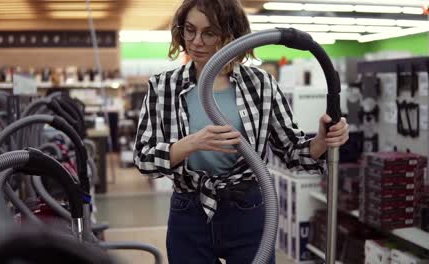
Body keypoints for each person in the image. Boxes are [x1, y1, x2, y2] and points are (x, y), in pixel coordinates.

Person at [133, 0, 349, 263]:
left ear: (231, 36)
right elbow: (144, 159)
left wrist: (321, 141)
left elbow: (292, 151)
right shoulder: (162, 86)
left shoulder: (260, 84)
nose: (196, 41)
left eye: (209, 32)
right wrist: (192, 143)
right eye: (189, 29)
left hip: (248, 208)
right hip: (189, 210)